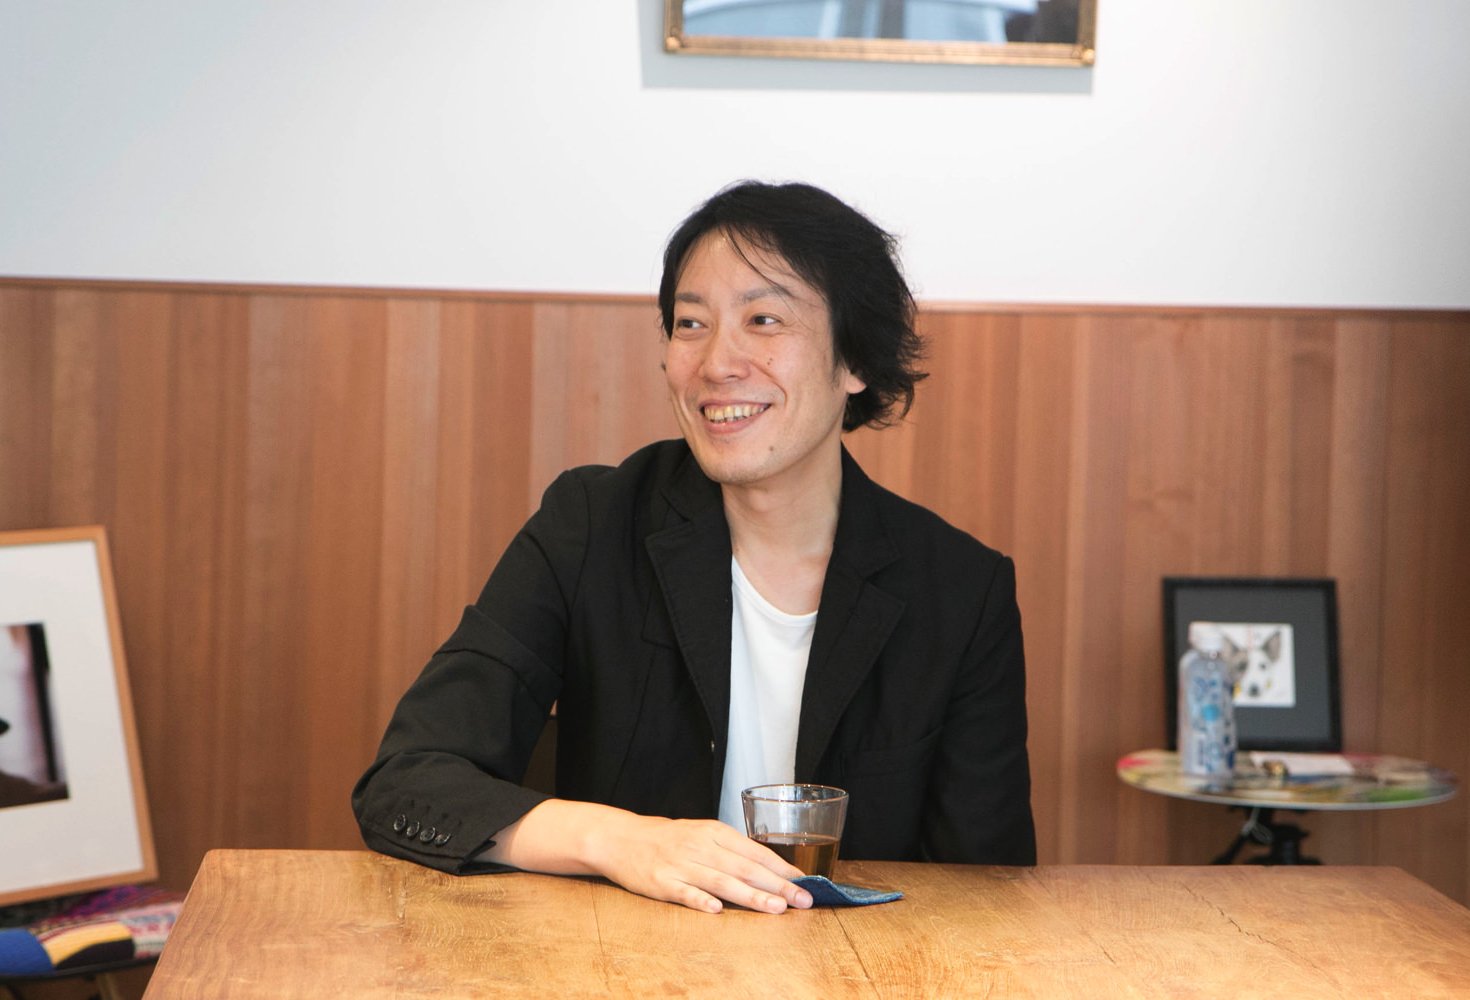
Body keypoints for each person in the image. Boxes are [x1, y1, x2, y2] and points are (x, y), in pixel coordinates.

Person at [352, 181, 1035, 915]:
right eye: (690, 323)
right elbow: (407, 780)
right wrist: (621, 841)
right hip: (618, 958)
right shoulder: (592, 526)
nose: (716, 363)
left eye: (764, 320)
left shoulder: (960, 592)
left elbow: (986, 894)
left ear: (855, 360)